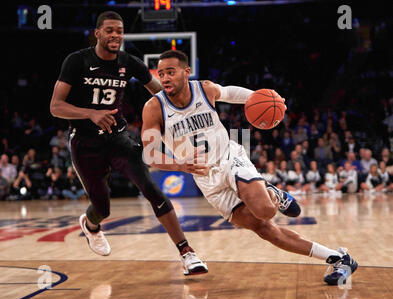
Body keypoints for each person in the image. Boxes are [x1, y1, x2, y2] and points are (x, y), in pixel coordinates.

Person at [141, 49, 357, 285]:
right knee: (264, 229)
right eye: (161, 74)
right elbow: (149, 153)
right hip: (206, 180)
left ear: (186, 72)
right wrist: (179, 165)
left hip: (228, 157)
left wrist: (265, 97)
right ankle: (339, 258)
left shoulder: (204, 89)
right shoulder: (154, 107)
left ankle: (271, 192)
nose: (165, 78)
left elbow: (230, 93)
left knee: (265, 210)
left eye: (170, 72)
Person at [49, 11, 207, 276]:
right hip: (85, 143)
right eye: (109, 30)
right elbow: (56, 106)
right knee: (102, 207)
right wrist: (90, 113)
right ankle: (91, 225)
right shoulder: (77, 61)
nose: (115, 35)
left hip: (117, 137)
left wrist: (187, 103)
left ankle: (187, 252)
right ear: (97, 33)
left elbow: (159, 91)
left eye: (119, 31)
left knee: (151, 189)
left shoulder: (128, 61)